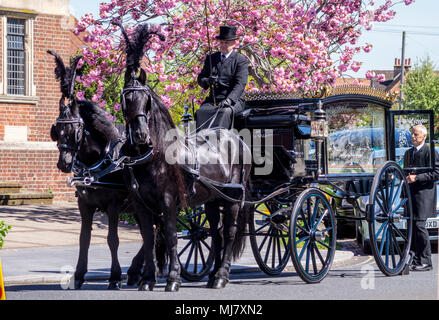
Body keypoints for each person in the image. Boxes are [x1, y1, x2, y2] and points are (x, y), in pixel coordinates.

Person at [195, 25, 248, 131]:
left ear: (234, 44)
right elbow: (200, 78)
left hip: (233, 101)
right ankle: (201, 142)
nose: (223, 45)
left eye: (226, 43)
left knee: (224, 112)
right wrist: (207, 81)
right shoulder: (211, 58)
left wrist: (229, 100)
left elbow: (240, 84)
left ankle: (221, 141)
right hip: (213, 99)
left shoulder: (240, 60)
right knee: (201, 112)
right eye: (222, 42)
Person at [403, 124, 439, 271]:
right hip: (411, 195)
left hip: (424, 195)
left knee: (420, 226)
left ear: (424, 136)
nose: (413, 136)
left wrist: (417, 177)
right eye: (412, 134)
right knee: (412, 227)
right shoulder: (408, 153)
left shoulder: (431, 152)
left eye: (416, 134)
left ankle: (426, 261)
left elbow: (437, 173)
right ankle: (415, 259)